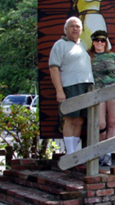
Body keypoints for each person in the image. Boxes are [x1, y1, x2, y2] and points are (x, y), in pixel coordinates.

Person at [49, 16, 94, 154]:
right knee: (69, 118)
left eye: (78, 26)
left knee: (80, 120)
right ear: (65, 29)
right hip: (70, 86)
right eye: (72, 26)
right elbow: (53, 68)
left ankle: (74, 153)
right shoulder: (59, 45)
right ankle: (70, 153)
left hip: (86, 86)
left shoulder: (82, 45)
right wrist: (59, 91)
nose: (75, 29)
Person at [89, 30, 115, 166]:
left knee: (112, 122)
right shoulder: (89, 56)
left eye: (102, 40)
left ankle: (108, 153)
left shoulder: (113, 56)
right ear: (93, 42)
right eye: (97, 40)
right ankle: (100, 151)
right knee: (101, 123)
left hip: (113, 90)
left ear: (106, 42)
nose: (100, 43)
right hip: (97, 92)